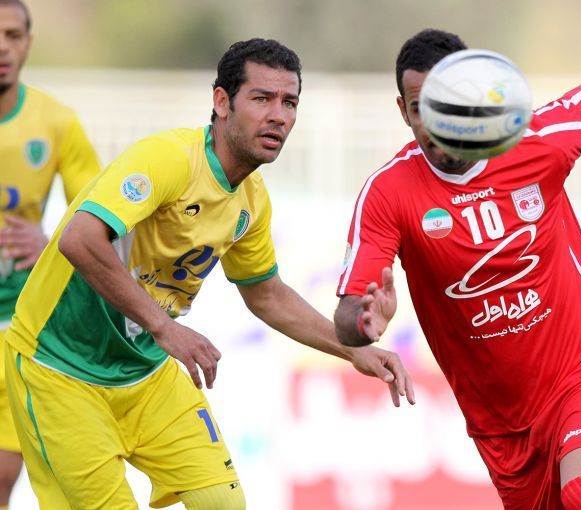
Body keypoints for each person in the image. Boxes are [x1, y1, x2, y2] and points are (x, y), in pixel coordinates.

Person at [334, 28, 581, 510]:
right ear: (404, 111)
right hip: (501, 426)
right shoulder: (388, 193)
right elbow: (348, 317)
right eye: (422, 108)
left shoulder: (533, 142)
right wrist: (365, 323)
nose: (436, 122)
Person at [3, 37, 414, 510]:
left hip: (143, 374)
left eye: (289, 102)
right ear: (222, 101)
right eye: (262, 98)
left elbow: (267, 295)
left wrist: (352, 350)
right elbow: (79, 240)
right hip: (59, 367)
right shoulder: (169, 159)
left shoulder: (252, 201)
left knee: (224, 503)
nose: (278, 116)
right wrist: (163, 327)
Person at [0, 0, 101, 507]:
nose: (2, 47)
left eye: (13, 35)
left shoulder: (56, 122)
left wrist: (49, 243)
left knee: (3, 474)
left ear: (28, 42)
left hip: (19, 324)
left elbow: (103, 216)